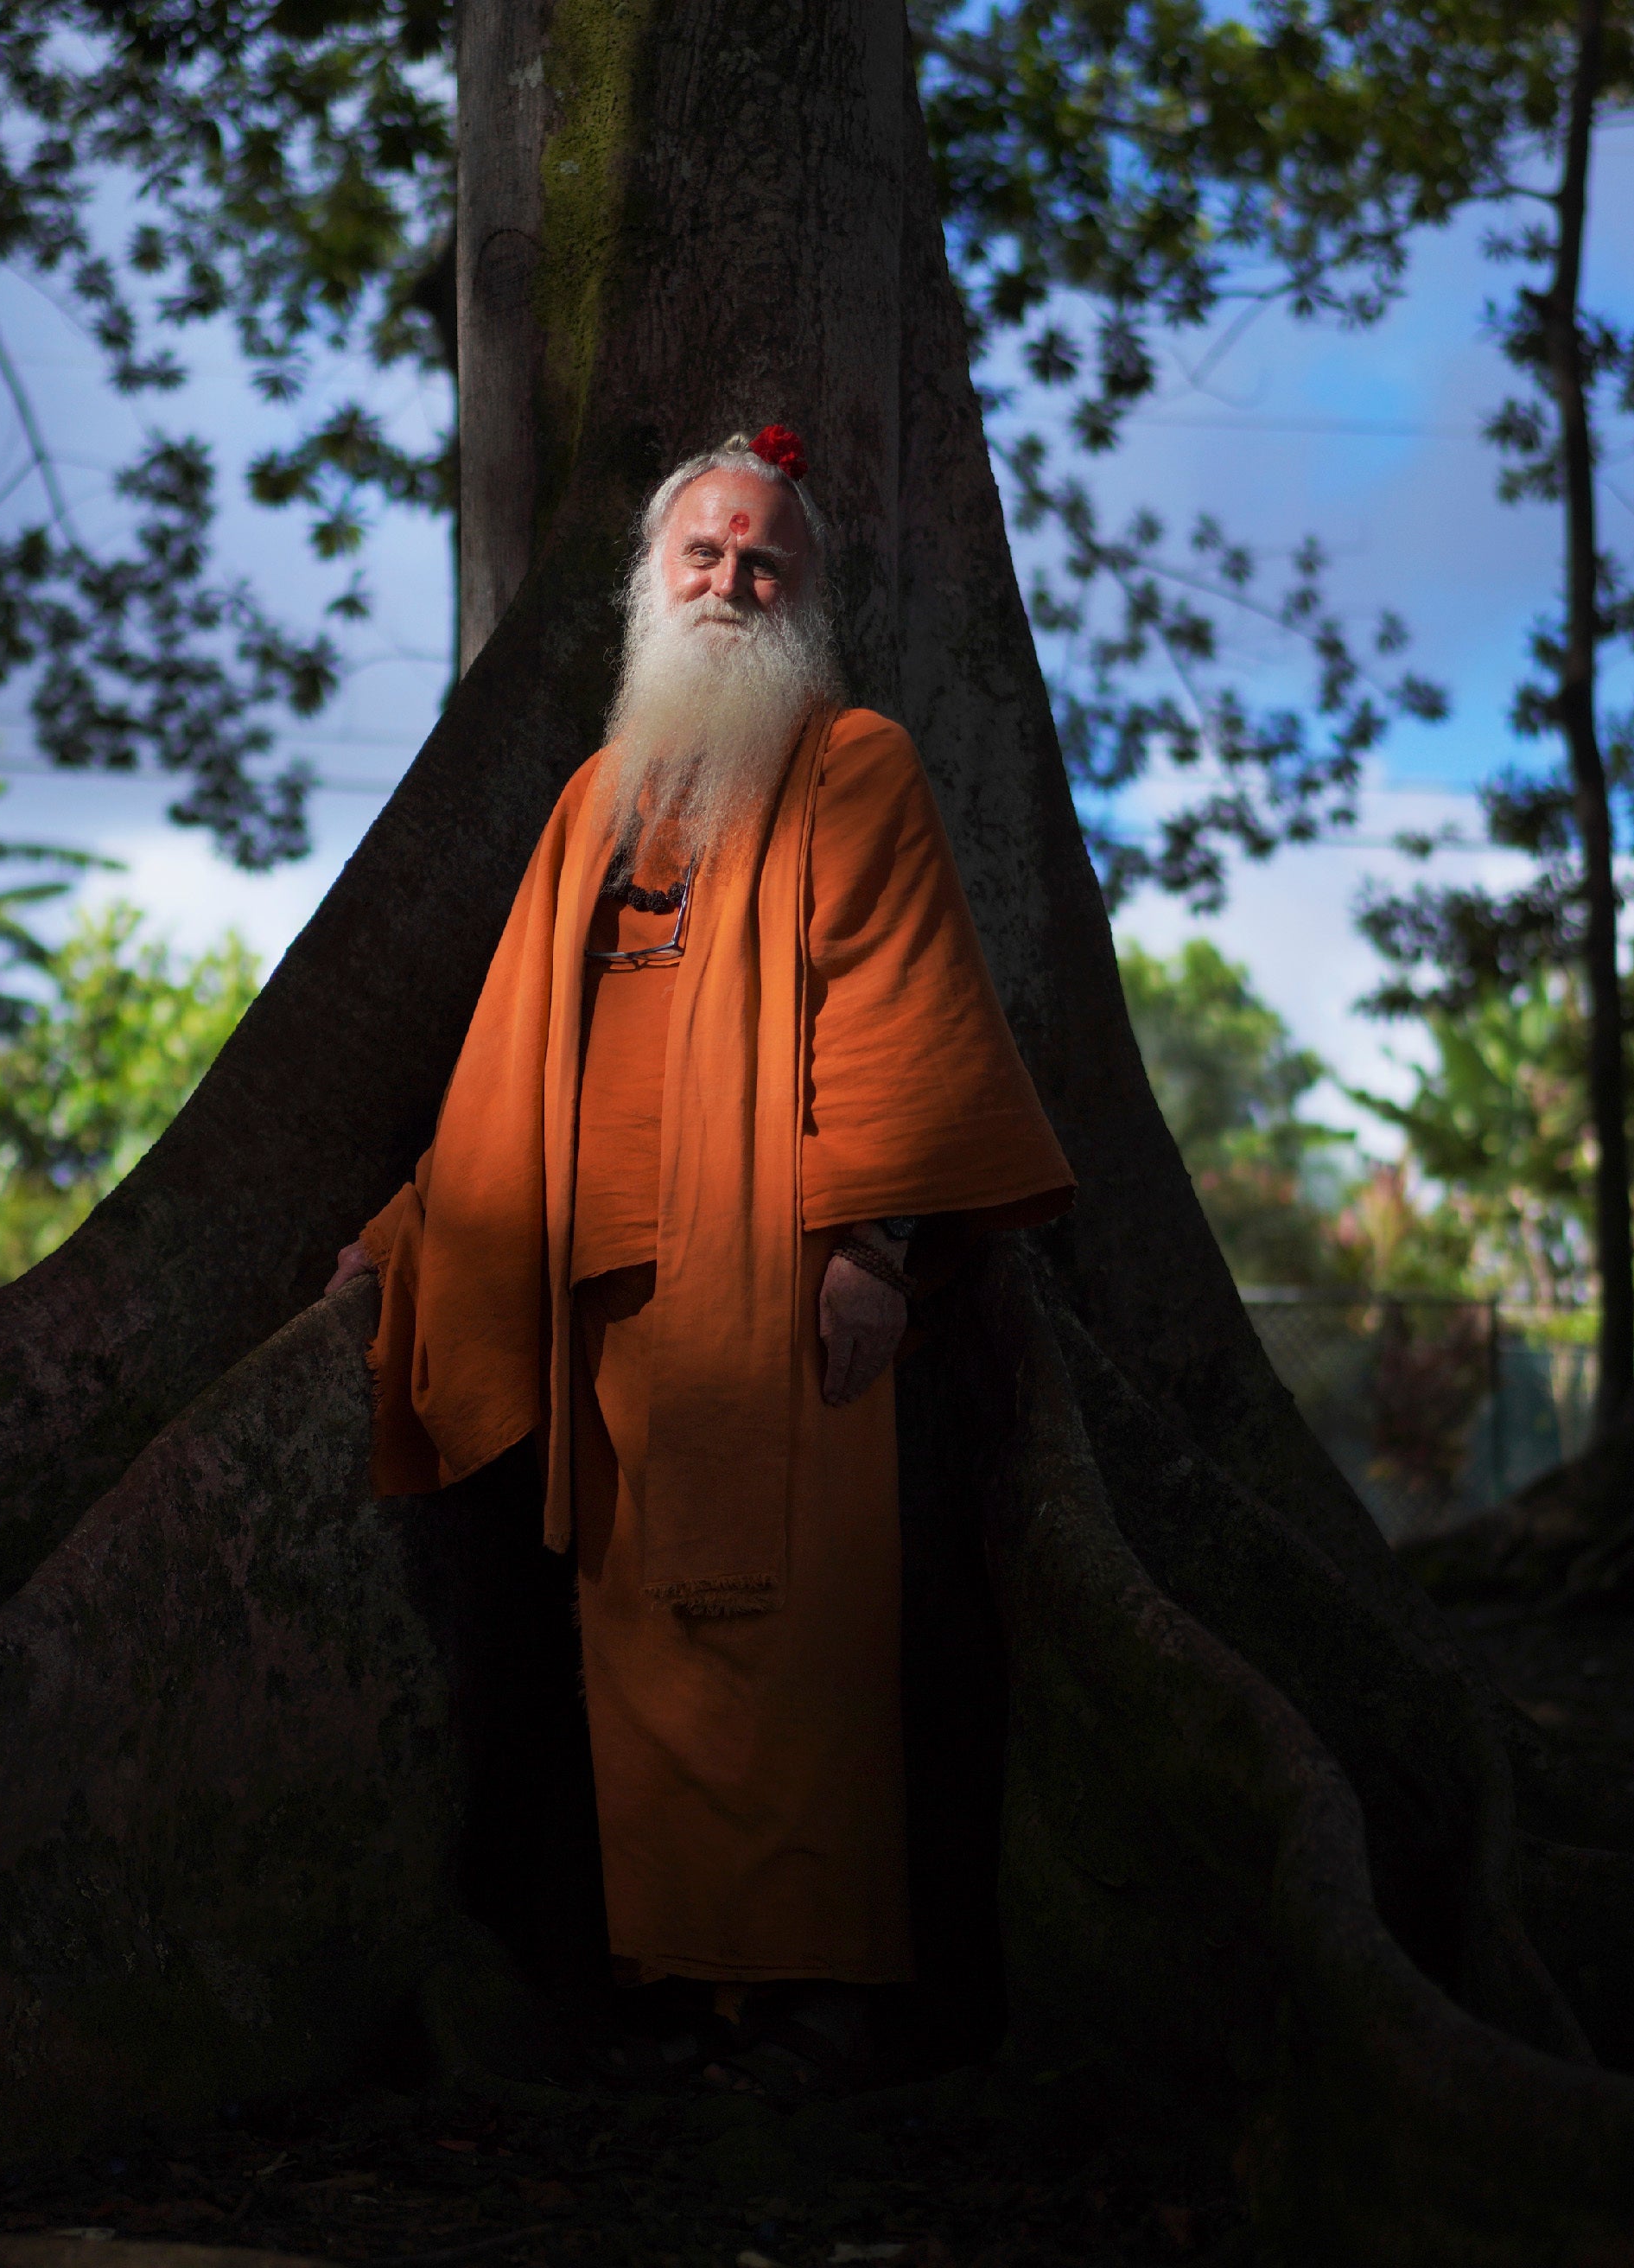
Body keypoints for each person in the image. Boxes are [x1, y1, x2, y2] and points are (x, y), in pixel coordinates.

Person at [327, 424, 1071, 2082]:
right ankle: (676, 1983)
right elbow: (510, 1052)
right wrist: (401, 1246)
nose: (732, 582)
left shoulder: (853, 763)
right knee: (639, 1647)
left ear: (804, 598)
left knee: (786, 1637)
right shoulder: (597, 795)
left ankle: (811, 1994)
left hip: (776, 1285)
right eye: (705, 558)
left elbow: (889, 1004)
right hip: (594, 1295)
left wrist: (874, 1248)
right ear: (654, 585)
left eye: (764, 564)